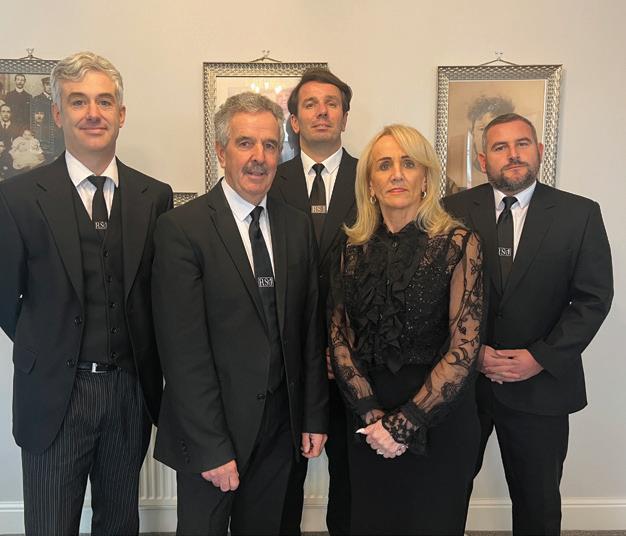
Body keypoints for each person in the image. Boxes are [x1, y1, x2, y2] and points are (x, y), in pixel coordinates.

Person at [0, 51, 173, 535]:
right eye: (78, 102)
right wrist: (48, 346)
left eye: (104, 101)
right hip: (55, 392)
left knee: (119, 522)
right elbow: (6, 299)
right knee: (50, 524)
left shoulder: (154, 196)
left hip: (129, 392)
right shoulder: (17, 197)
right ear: (58, 114)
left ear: (121, 113)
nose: (92, 113)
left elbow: (157, 295)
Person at [152, 91, 328, 536]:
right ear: (220, 150)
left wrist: (312, 416)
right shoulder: (181, 229)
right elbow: (183, 353)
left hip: (281, 430)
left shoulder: (297, 225)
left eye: (270, 145)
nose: (259, 157)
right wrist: (211, 446)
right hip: (211, 432)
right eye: (245, 143)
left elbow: (309, 331)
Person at [444, 112, 613, 535]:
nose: (513, 154)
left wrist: (540, 357)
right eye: (500, 147)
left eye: (522, 144)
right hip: (463, 385)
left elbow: (593, 299)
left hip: (542, 388)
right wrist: (471, 351)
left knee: (538, 505)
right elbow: (434, 295)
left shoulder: (579, 214)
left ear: (538, 151)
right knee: (443, 495)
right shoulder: (452, 211)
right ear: (483, 160)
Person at [329, 124, 483, 535]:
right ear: (370, 184)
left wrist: (404, 424)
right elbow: (340, 337)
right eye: (384, 165)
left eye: (408, 163)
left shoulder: (459, 242)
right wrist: (371, 413)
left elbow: (465, 346)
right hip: (368, 415)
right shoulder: (350, 247)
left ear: (426, 179)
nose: (396, 174)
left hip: (439, 415)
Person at [269, 68, 356, 536]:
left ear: (344, 116)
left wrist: (344, 349)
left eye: (331, 103)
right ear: (294, 120)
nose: (322, 111)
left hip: (356, 360)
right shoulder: (267, 178)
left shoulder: (373, 178)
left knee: (353, 480)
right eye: (310, 104)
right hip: (287, 357)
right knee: (283, 480)